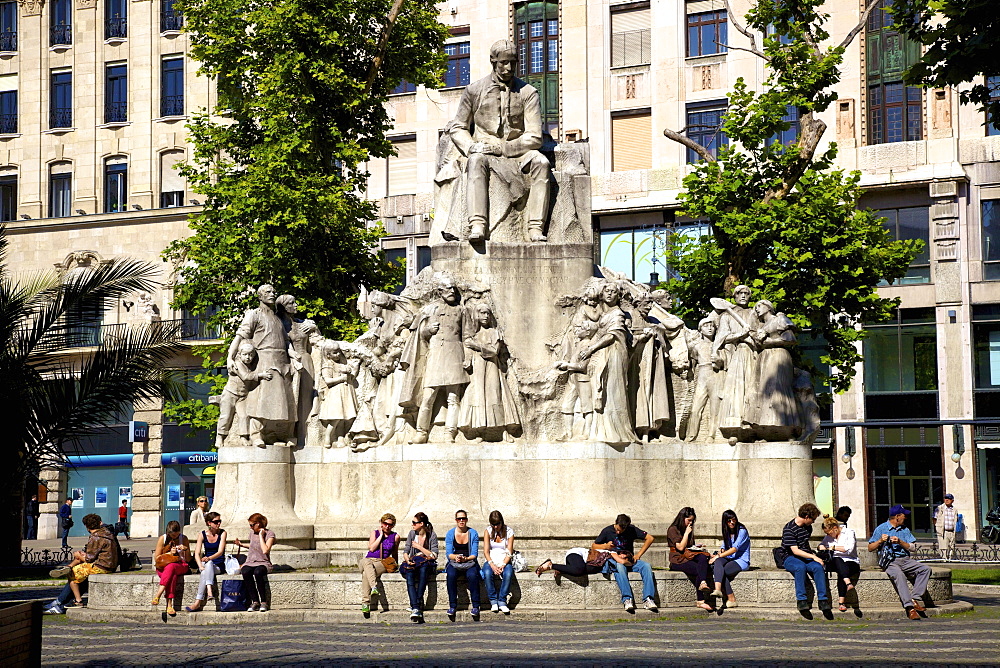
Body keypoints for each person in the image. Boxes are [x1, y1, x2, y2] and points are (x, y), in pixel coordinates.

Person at [449, 39, 551, 243]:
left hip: (518, 151)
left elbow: (535, 136)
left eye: (513, 62)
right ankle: (477, 224)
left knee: (542, 163)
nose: (508, 68)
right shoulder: (474, 90)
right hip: (484, 151)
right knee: (476, 161)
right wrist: (471, 147)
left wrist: (503, 148)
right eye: (503, 62)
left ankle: (535, 227)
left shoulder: (528, 92)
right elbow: (458, 126)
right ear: (493, 62)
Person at [43, 513, 119, 615]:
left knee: (72, 574)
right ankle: (68, 567)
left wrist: (79, 555)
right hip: (109, 564)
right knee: (78, 565)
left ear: (86, 526)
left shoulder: (95, 537)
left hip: (102, 566)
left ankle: (78, 601)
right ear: (100, 523)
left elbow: (89, 559)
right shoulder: (107, 533)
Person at [868, 504, 932, 620]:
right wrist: (880, 541)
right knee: (899, 575)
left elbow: (912, 548)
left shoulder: (905, 529)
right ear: (897, 516)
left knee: (925, 569)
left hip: (905, 560)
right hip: (890, 561)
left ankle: (915, 598)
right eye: (904, 515)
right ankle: (909, 607)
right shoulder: (881, 528)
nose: (905, 518)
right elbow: (870, 548)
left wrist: (900, 542)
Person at [592, 513, 657, 612]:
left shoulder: (632, 529)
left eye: (621, 530)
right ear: (616, 523)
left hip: (630, 560)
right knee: (619, 566)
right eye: (617, 529)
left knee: (646, 566)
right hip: (617, 561)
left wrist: (638, 555)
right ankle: (627, 599)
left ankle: (648, 599)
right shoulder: (607, 531)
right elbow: (594, 546)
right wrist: (606, 546)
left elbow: (650, 538)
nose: (618, 532)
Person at [781, 502, 831, 615]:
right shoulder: (789, 529)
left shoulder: (808, 528)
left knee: (818, 567)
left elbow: (805, 546)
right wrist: (813, 556)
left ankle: (823, 600)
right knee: (800, 567)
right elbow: (795, 550)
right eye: (813, 519)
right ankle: (801, 600)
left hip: (805, 556)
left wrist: (815, 557)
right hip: (790, 557)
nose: (813, 522)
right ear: (807, 517)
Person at [666, 507, 713, 611]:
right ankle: (701, 601)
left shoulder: (689, 528)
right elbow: (680, 547)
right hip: (677, 560)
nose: (690, 523)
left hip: (688, 557)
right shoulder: (673, 529)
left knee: (703, 557)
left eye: (692, 520)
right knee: (699, 570)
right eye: (689, 520)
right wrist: (687, 533)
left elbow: (688, 546)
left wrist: (697, 547)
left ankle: (703, 583)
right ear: (682, 518)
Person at [185, 512, 227, 613]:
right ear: (209, 523)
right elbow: (197, 553)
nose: (218, 524)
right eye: (216, 522)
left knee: (208, 565)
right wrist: (200, 565)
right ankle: (208, 592)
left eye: (219, 521)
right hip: (206, 565)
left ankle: (198, 601)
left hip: (218, 565)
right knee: (205, 568)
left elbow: (220, 552)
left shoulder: (222, 533)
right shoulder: (202, 534)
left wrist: (209, 558)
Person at [358, 513, 400, 614]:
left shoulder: (395, 536)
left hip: (381, 562)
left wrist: (395, 564)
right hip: (368, 559)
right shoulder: (375, 533)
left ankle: (365, 603)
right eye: (385, 523)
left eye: (390, 524)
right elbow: (372, 548)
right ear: (381, 523)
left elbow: (395, 552)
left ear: (393, 525)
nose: (387, 526)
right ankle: (373, 587)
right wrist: (381, 536)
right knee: (366, 562)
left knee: (365, 574)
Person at [708, 509, 750, 608]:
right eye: (729, 521)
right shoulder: (726, 530)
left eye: (733, 520)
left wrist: (719, 555)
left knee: (723, 571)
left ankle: (731, 598)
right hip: (729, 558)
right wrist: (719, 553)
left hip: (741, 560)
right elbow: (724, 546)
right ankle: (718, 590)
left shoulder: (742, 530)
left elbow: (734, 549)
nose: (732, 522)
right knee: (718, 563)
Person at [234, 513, 276, 612]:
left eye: (252, 525)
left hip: (263, 562)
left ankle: (264, 602)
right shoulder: (252, 533)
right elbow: (254, 546)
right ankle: (255, 601)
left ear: (259, 524)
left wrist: (261, 536)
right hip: (251, 561)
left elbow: (265, 550)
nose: (251, 527)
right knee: (245, 571)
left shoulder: (270, 534)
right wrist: (242, 545)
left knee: (258, 572)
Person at [818, 515, 860, 612]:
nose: (828, 535)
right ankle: (847, 582)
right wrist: (821, 547)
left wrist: (832, 548)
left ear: (835, 528)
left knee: (841, 569)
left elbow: (848, 549)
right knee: (837, 560)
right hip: (836, 561)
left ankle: (842, 602)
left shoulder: (849, 533)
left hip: (851, 561)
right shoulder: (828, 537)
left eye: (829, 532)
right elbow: (822, 545)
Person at [402, 512, 438, 621]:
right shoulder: (412, 534)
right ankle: (417, 606)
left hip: (426, 564)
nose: (412, 525)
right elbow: (406, 551)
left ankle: (415, 606)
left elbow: (434, 555)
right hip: (413, 562)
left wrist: (419, 547)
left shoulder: (432, 534)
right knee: (409, 574)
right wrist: (407, 560)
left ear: (421, 523)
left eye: (414, 522)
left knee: (423, 570)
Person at [445, 509, 481, 616]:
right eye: (459, 519)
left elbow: (474, 554)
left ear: (467, 520)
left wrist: (465, 559)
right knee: (450, 575)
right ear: (456, 520)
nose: (461, 521)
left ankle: (475, 605)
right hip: (454, 562)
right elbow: (449, 553)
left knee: (472, 575)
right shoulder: (450, 533)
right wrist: (456, 557)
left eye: (463, 518)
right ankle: (452, 605)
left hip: (469, 562)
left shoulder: (473, 533)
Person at [152, 520, 191, 617]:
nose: (175, 537)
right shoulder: (163, 539)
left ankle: (158, 594)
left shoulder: (184, 538)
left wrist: (185, 550)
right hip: (163, 567)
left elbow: (189, 559)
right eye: (172, 536)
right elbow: (157, 558)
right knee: (172, 573)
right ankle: (169, 605)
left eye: (176, 535)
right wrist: (169, 553)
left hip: (181, 565)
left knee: (172, 567)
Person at [481, 510, 515, 614]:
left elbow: (509, 551)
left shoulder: (509, 531)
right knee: (487, 573)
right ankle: (493, 600)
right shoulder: (488, 531)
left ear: (502, 522)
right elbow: (486, 551)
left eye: (498, 524)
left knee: (508, 573)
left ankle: (502, 600)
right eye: (493, 524)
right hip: (492, 560)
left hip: (504, 559)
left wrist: (504, 564)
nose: (496, 527)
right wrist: (492, 564)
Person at [534, 547, 605, 580]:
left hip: (581, 563)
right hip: (576, 553)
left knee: (589, 569)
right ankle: (551, 565)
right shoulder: (612, 553)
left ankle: (562, 569)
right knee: (579, 570)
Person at [933, 493, 958, 561]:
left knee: (951, 546)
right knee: (943, 547)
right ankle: (944, 559)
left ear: (952, 500)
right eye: (945, 498)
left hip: (952, 531)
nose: (946, 500)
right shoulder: (939, 508)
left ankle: (950, 559)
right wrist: (937, 527)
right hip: (943, 531)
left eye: (948, 499)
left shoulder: (954, 509)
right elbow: (934, 518)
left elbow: (956, 519)